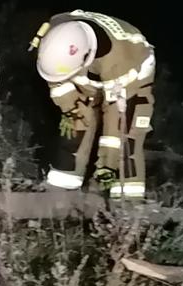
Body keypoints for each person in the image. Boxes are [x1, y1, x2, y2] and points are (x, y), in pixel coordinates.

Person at [29, 11, 157, 199]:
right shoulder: (56, 37)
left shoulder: (120, 62)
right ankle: (62, 186)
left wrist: (107, 165)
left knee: (126, 139)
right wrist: (70, 108)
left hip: (134, 75)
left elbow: (116, 122)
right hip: (86, 67)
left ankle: (127, 203)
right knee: (77, 122)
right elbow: (55, 79)